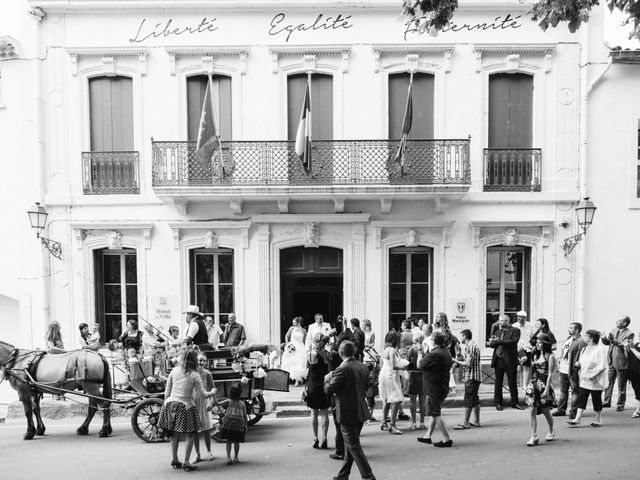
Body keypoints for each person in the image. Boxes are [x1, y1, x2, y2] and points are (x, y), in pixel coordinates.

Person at [324, 340, 377, 480]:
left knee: (353, 446)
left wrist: (327, 379)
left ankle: (368, 476)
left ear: (341, 353)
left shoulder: (343, 368)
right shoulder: (362, 366)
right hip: (360, 408)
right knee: (351, 446)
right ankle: (343, 475)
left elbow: (329, 390)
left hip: (348, 412)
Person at [157, 348, 216, 471]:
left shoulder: (174, 371)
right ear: (194, 360)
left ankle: (175, 459)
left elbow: (167, 392)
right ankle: (186, 462)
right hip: (186, 406)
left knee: (174, 434)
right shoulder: (195, 375)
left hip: (171, 404)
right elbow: (203, 395)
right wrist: (213, 392)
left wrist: (165, 406)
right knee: (191, 434)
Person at [417, 331, 454, 447]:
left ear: (434, 341)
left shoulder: (436, 354)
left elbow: (420, 365)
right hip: (441, 386)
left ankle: (446, 438)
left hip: (435, 388)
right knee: (434, 412)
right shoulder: (445, 352)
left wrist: (419, 353)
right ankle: (428, 436)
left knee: (436, 413)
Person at [568, 330, 608, 427]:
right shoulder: (584, 349)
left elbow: (602, 365)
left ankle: (598, 419)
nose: (584, 338)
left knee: (596, 399)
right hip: (584, 378)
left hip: (596, 380)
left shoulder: (600, 350)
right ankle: (577, 419)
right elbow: (582, 361)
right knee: (582, 398)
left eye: (586, 336)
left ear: (592, 338)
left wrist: (593, 375)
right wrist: (578, 364)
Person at [524, 334, 556, 446]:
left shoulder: (550, 356)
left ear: (545, 344)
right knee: (532, 411)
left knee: (546, 411)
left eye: (540, 342)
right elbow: (530, 370)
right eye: (537, 342)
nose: (537, 344)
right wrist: (527, 384)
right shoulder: (534, 355)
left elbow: (550, 374)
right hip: (533, 384)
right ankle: (534, 436)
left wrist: (547, 389)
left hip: (543, 385)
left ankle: (551, 430)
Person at [489, 314, 523, 410]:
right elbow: (492, 345)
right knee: (498, 382)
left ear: (507, 321)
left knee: (512, 382)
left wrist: (498, 341)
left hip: (510, 360)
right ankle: (498, 402)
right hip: (498, 360)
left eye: (501, 321)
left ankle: (515, 402)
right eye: (499, 321)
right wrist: (493, 342)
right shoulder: (498, 331)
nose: (499, 322)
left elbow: (512, 342)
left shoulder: (515, 330)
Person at [552, 322, 587, 419]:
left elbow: (582, 356)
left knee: (575, 391)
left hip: (572, 369)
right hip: (563, 368)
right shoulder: (568, 339)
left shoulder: (581, 341)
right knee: (563, 390)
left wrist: (578, 367)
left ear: (576, 330)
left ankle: (574, 411)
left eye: (571, 328)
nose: (569, 329)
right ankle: (561, 409)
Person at [601, 315, 634, 411]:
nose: (616, 322)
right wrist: (604, 338)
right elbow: (608, 343)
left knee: (621, 385)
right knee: (609, 382)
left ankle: (620, 404)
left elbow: (622, 345)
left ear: (624, 323)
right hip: (611, 360)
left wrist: (612, 340)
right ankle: (607, 401)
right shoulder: (614, 329)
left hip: (621, 361)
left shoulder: (630, 334)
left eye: (618, 321)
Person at [306, 333, 331, 449]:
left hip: (313, 385)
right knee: (325, 412)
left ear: (315, 342)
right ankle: (325, 438)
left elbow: (307, 367)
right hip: (324, 384)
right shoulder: (327, 355)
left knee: (314, 412)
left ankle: (315, 438)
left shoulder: (311, 354)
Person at [453, 329, 481, 429]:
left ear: (465, 336)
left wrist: (455, 360)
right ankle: (476, 421)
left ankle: (465, 422)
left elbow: (468, 364)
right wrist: (460, 356)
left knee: (468, 399)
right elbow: (468, 361)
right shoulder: (473, 346)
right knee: (474, 399)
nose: (460, 338)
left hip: (471, 377)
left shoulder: (470, 347)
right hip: (475, 376)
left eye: (461, 336)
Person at [378, 331, 405, 434]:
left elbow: (381, 364)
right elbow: (394, 367)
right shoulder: (392, 350)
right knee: (396, 399)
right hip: (390, 375)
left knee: (386, 399)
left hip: (383, 374)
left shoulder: (385, 349)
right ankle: (392, 425)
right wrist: (405, 366)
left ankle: (383, 422)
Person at [193, 354, 216, 463]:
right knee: (194, 431)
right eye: (199, 360)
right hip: (192, 403)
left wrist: (211, 403)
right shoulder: (191, 373)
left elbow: (213, 388)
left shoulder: (207, 374)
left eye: (203, 361)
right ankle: (197, 454)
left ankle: (209, 451)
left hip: (204, 402)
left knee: (206, 429)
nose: (201, 363)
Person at [218, 382, 248, 465]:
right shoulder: (242, 403)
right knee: (236, 442)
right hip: (238, 426)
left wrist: (213, 396)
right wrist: (245, 426)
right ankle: (236, 457)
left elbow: (217, 403)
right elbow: (245, 416)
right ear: (240, 393)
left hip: (228, 425)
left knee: (228, 441)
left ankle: (228, 457)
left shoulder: (229, 401)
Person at [406, 333, 426, 430]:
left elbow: (408, 363)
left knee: (412, 402)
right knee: (422, 402)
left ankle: (413, 422)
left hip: (413, 375)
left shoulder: (411, 349)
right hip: (423, 375)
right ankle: (422, 422)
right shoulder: (425, 349)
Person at [281, 316, 308, 386]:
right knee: (290, 361)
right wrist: (288, 344)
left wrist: (305, 349)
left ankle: (298, 379)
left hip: (300, 347)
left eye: (294, 322)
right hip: (292, 345)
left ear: (299, 322)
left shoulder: (304, 330)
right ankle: (289, 379)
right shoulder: (291, 328)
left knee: (299, 362)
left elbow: (305, 341)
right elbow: (287, 336)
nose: (293, 323)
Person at [513, 310, 534, 387]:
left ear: (525, 318)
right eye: (518, 317)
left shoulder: (530, 325)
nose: (519, 318)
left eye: (521, 317)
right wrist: (516, 345)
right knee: (522, 363)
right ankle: (521, 383)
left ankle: (524, 384)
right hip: (518, 347)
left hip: (528, 347)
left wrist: (531, 345)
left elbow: (532, 336)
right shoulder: (514, 326)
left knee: (526, 366)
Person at [627, 337, 640, 418]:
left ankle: (638, 410)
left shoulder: (634, 347)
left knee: (639, 391)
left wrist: (632, 349)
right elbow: (628, 356)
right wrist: (627, 348)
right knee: (637, 391)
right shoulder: (636, 344)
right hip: (633, 372)